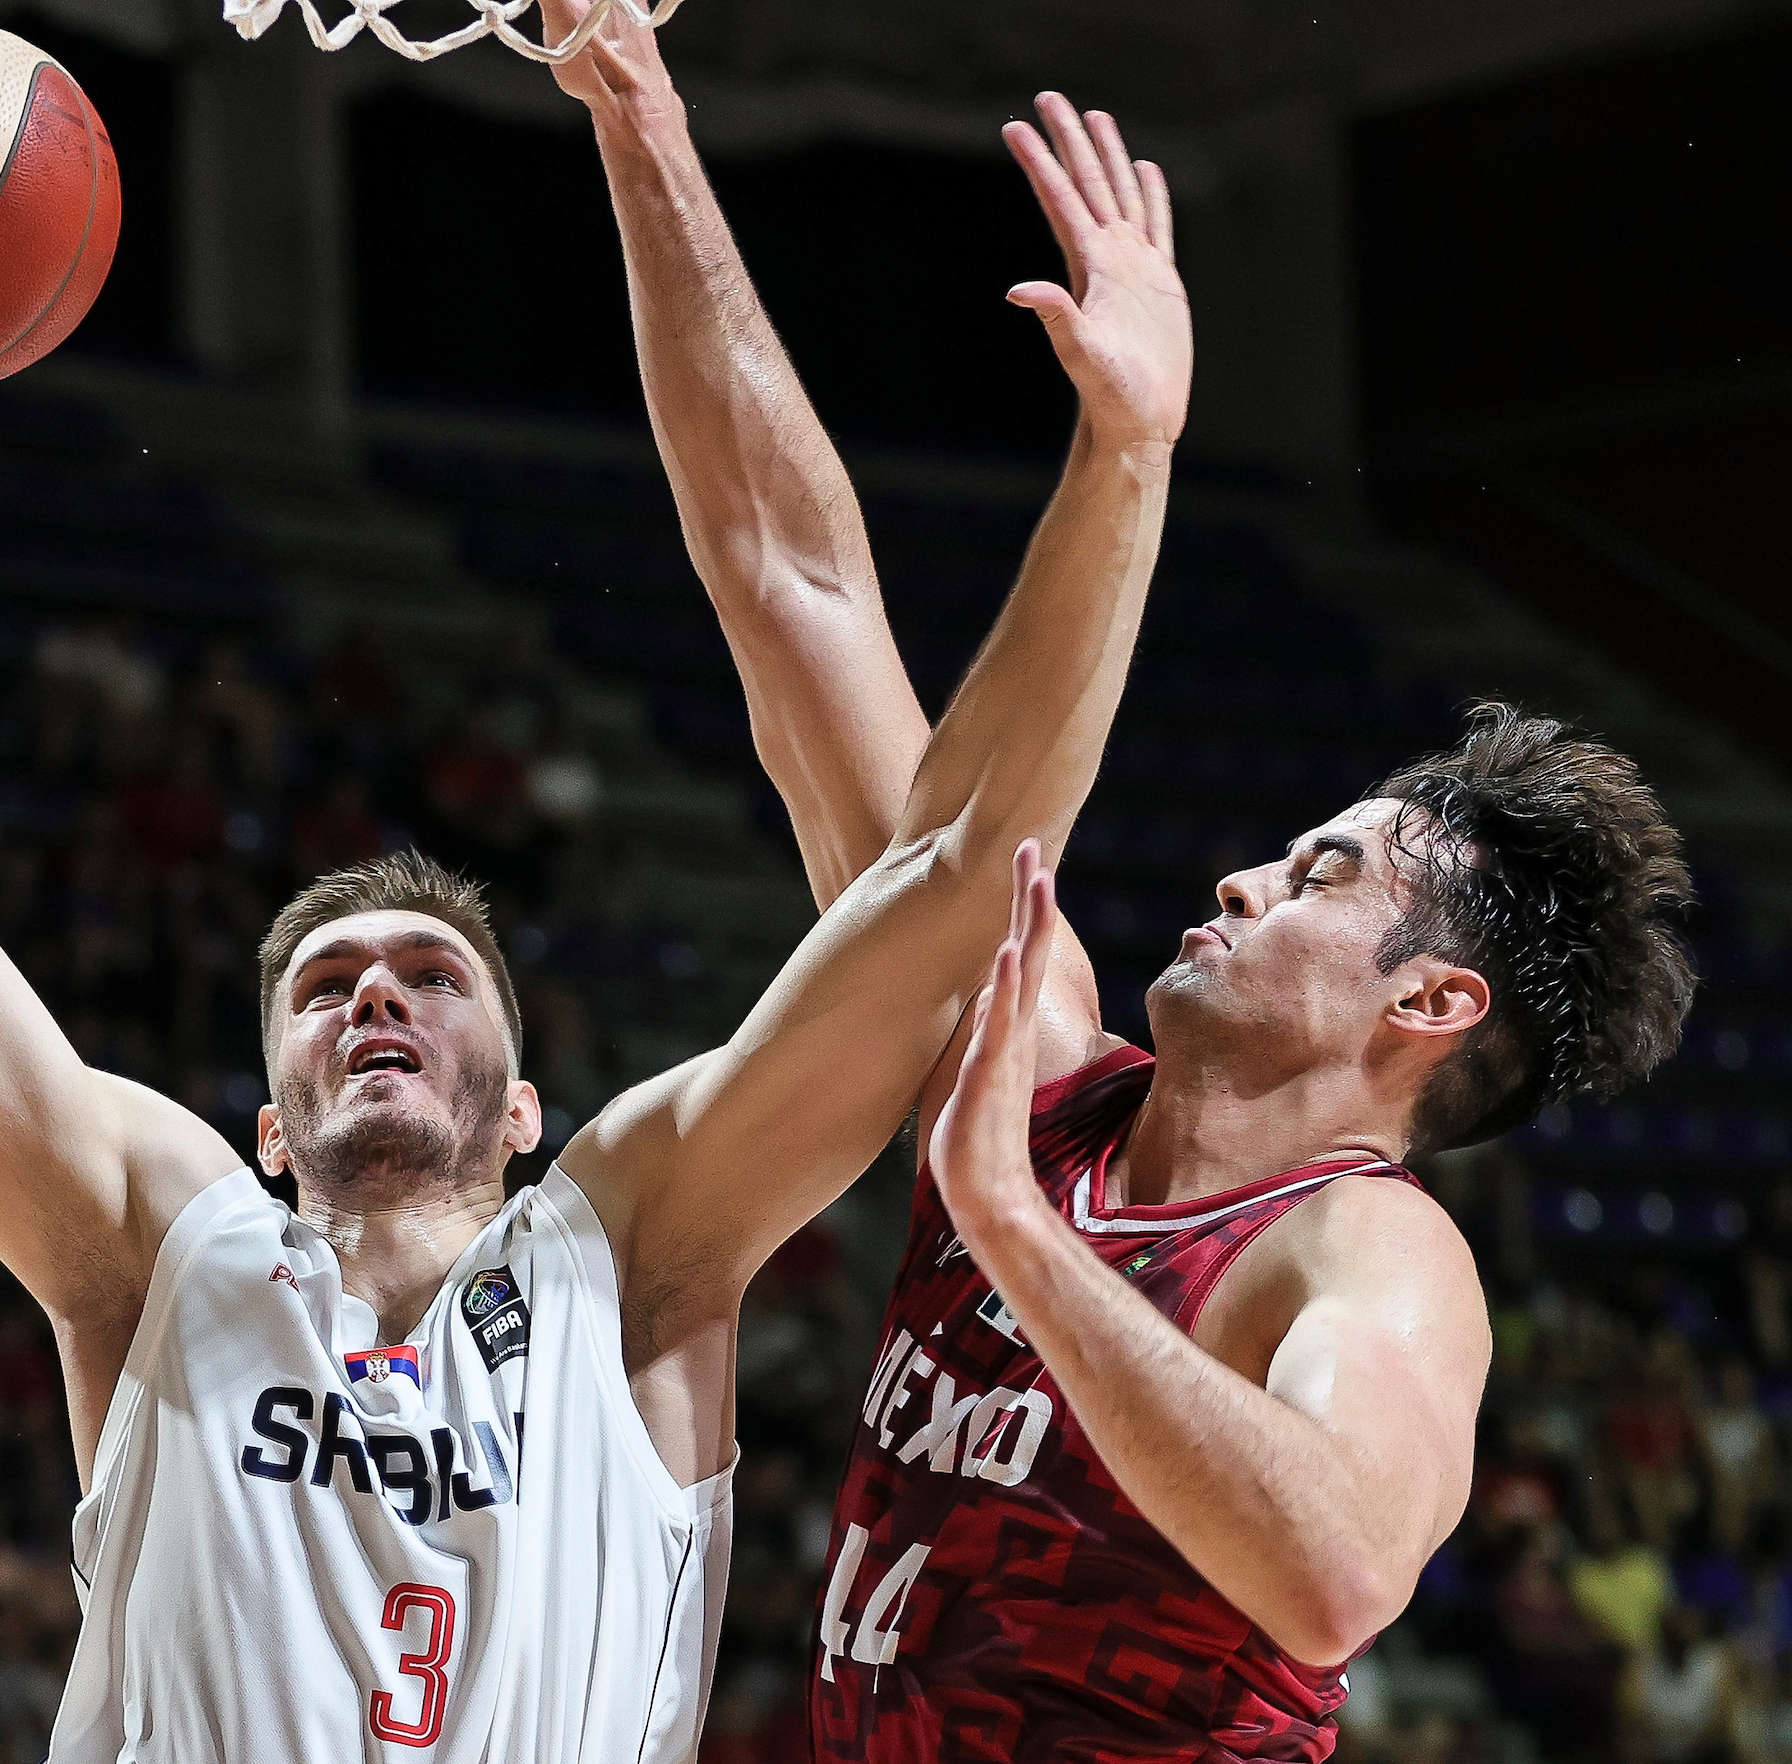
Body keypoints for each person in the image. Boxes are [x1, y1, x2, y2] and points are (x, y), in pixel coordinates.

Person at [0, 61, 1177, 1759]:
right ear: (266, 1125)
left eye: (429, 974)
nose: (376, 995)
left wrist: (1126, 456)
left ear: (528, 1110)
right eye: (325, 985)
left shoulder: (632, 1247)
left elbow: (967, 866)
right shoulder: (161, 1243)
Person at [545, 6, 1696, 1758]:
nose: (1238, 881)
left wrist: (1012, 1230)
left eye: (1317, 875)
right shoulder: (1035, 1072)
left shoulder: (1367, 1249)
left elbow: (1334, 1572)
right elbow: (794, 589)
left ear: (1433, 1000)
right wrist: (636, 107)